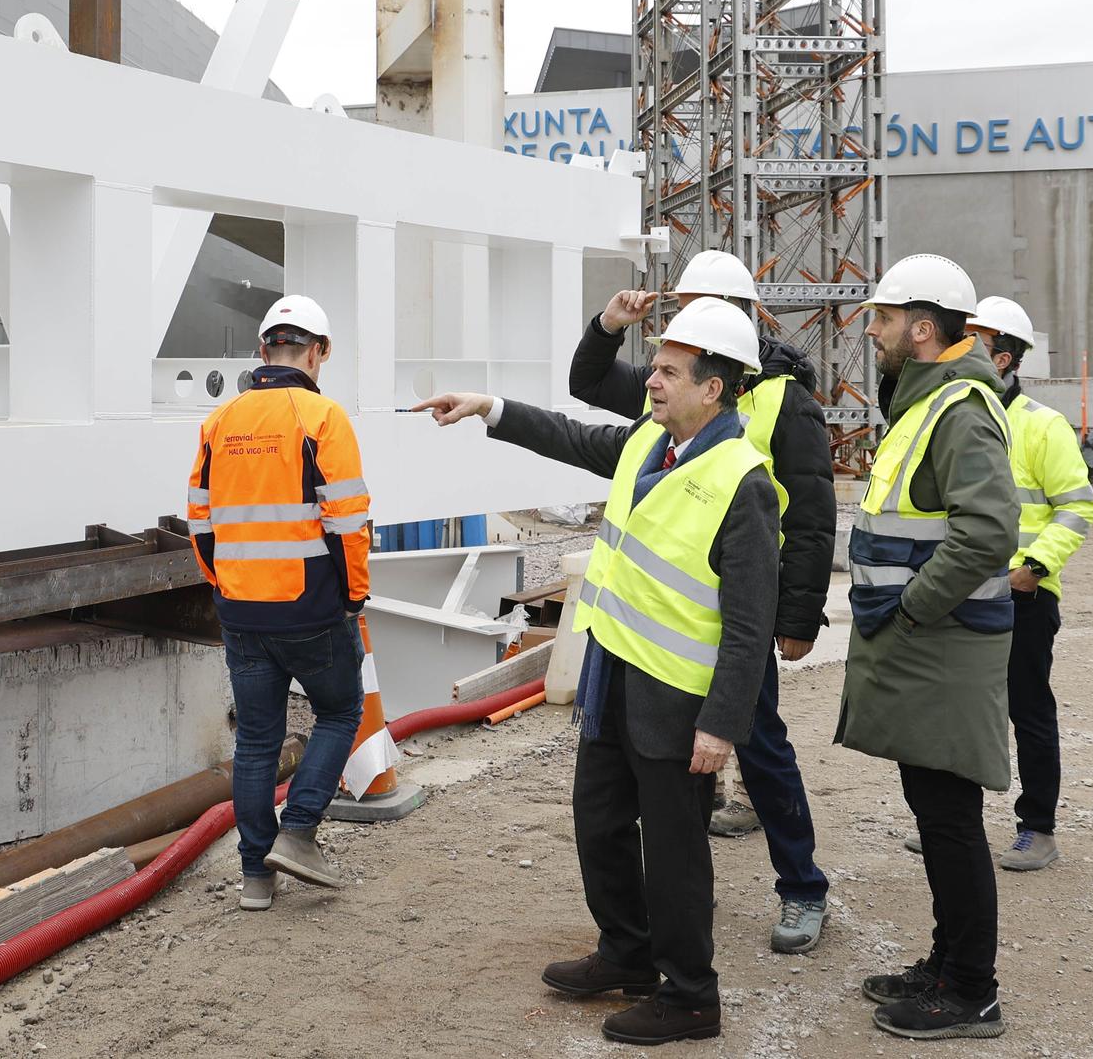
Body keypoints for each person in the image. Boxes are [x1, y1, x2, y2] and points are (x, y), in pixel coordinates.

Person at [417, 297, 779, 1046]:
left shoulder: (742, 481)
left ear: (713, 387)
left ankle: (690, 995)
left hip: (677, 697)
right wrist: (491, 407)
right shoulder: (652, 443)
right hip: (613, 676)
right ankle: (628, 951)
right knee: (599, 820)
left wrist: (721, 724)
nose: (652, 379)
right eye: (656, 365)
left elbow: (750, 625)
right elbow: (571, 434)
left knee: (676, 850)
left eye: (671, 371)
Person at [570, 249, 836, 953]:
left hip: (739, 614)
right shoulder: (678, 385)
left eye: (691, 307)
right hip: (668, 624)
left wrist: (798, 617)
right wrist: (607, 323)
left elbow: (810, 513)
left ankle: (802, 887)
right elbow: (587, 381)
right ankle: (643, 930)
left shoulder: (783, 402)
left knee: (763, 745)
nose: (675, 321)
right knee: (672, 769)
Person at [839, 254, 1016, 1041]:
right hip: (929, 648)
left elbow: (988, 533)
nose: (870, 330)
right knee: (937, 811)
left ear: (920, 326)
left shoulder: (960, 409)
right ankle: (947, 964)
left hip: (940, 647)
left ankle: (971, 989)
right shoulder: (927, 402)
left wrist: (910, 609)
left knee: (949, 819)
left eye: (881, 318)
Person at [185, 295, 372, 913]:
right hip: (312, 608)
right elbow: (349, 522)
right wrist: (355, 596)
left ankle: (254, 881)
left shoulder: (220, 421)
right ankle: (297, 831)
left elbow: (200, 523)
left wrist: (224, 585)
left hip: (240, 610)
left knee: (258, 743)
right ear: (317, 353)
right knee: (341, 713)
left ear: (264, 351)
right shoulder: (322, 417)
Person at [963, 296, 1093, 871]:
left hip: (1024, 595)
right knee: (963, 708)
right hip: (965, 590)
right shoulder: (961, 416)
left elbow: (1078, 508)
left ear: (1004, 358)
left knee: (1028, 710)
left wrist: (1033, 569)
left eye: (975, 345)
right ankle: (959, 824)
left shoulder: (1043, 426)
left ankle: (1037, 828)